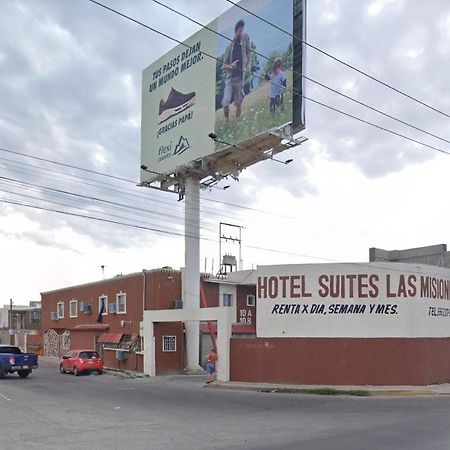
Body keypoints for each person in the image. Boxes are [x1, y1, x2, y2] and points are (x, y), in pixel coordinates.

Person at [221, 20, 252, 121]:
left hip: (240, 78)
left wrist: (248, 66)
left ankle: (238, 121)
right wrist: (231, 66)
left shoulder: (245, 38)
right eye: (239, 31)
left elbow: (249, 52)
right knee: (225, 102)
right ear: (235, 32)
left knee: (238, 102)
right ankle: (227, 120)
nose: (241, 33)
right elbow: (224, 65)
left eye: (242, 30)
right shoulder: (229, 47)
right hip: (230, 79)